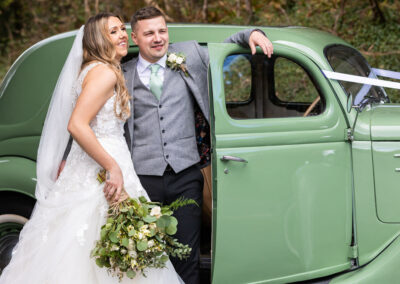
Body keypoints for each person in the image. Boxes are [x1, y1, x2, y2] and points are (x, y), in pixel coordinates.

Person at [0, 13, 182, 284]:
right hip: (104, 167)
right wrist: (112, 166)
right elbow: (77, 124)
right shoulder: (105, 73)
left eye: (123, 28)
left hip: (90, 163)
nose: (122, 35)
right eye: (113, 32)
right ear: (98, 39)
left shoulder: (92, 69)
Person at [120, 7, 273, 284]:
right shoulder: (122, 74)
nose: (158, 38)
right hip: (142, 179)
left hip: (185, 175)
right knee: (143, 256)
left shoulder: (189, 54)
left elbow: (229, 43)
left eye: (162, 31)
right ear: (135, 38)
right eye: (150, 33)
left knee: (186, 256)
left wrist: (254, 33)